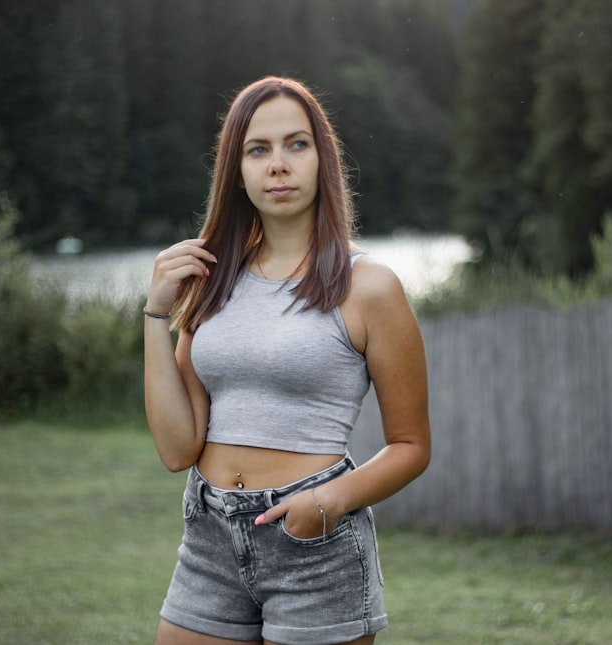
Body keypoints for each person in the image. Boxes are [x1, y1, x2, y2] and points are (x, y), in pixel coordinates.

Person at [143, 76, 430, 645]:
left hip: (314, 546)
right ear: (238, 169)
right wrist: (156, 316)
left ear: (323, 159)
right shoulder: (211, 280)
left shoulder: (369, 287)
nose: (279, 164)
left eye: (296, 144)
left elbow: (412, 446)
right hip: (209, 539)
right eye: (259, 149)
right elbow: (178, 450)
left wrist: (327, 503)